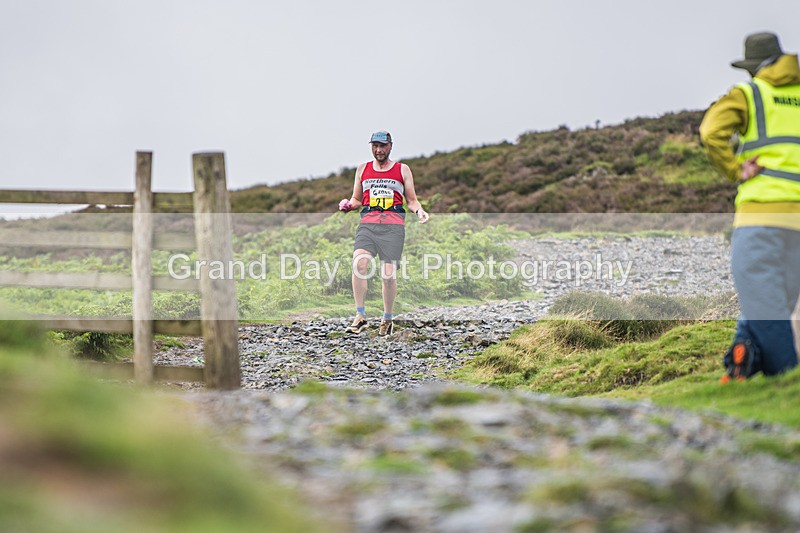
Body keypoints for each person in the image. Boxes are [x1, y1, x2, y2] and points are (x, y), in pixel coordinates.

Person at [700, 32, 800, 382]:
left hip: (763, 215)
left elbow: (711, 131)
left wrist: (735, 168)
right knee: (779, 298)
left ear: (755, 67)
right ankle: (740, 362)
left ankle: (787, 379)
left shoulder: (750, 94)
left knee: (764, 300)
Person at [338, 131, 429, 336]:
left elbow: (411, 200)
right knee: (359, 263)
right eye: (375, 146)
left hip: (393, 227)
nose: (379, 150)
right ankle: (360, 316)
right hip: (368, 225)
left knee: (388, 275)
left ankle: (387, 319)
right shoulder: (363, 169)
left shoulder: (402, 170)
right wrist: (348, 205)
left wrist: (419, 211)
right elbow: (357, 199)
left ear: (390, 146)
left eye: (383, 146)